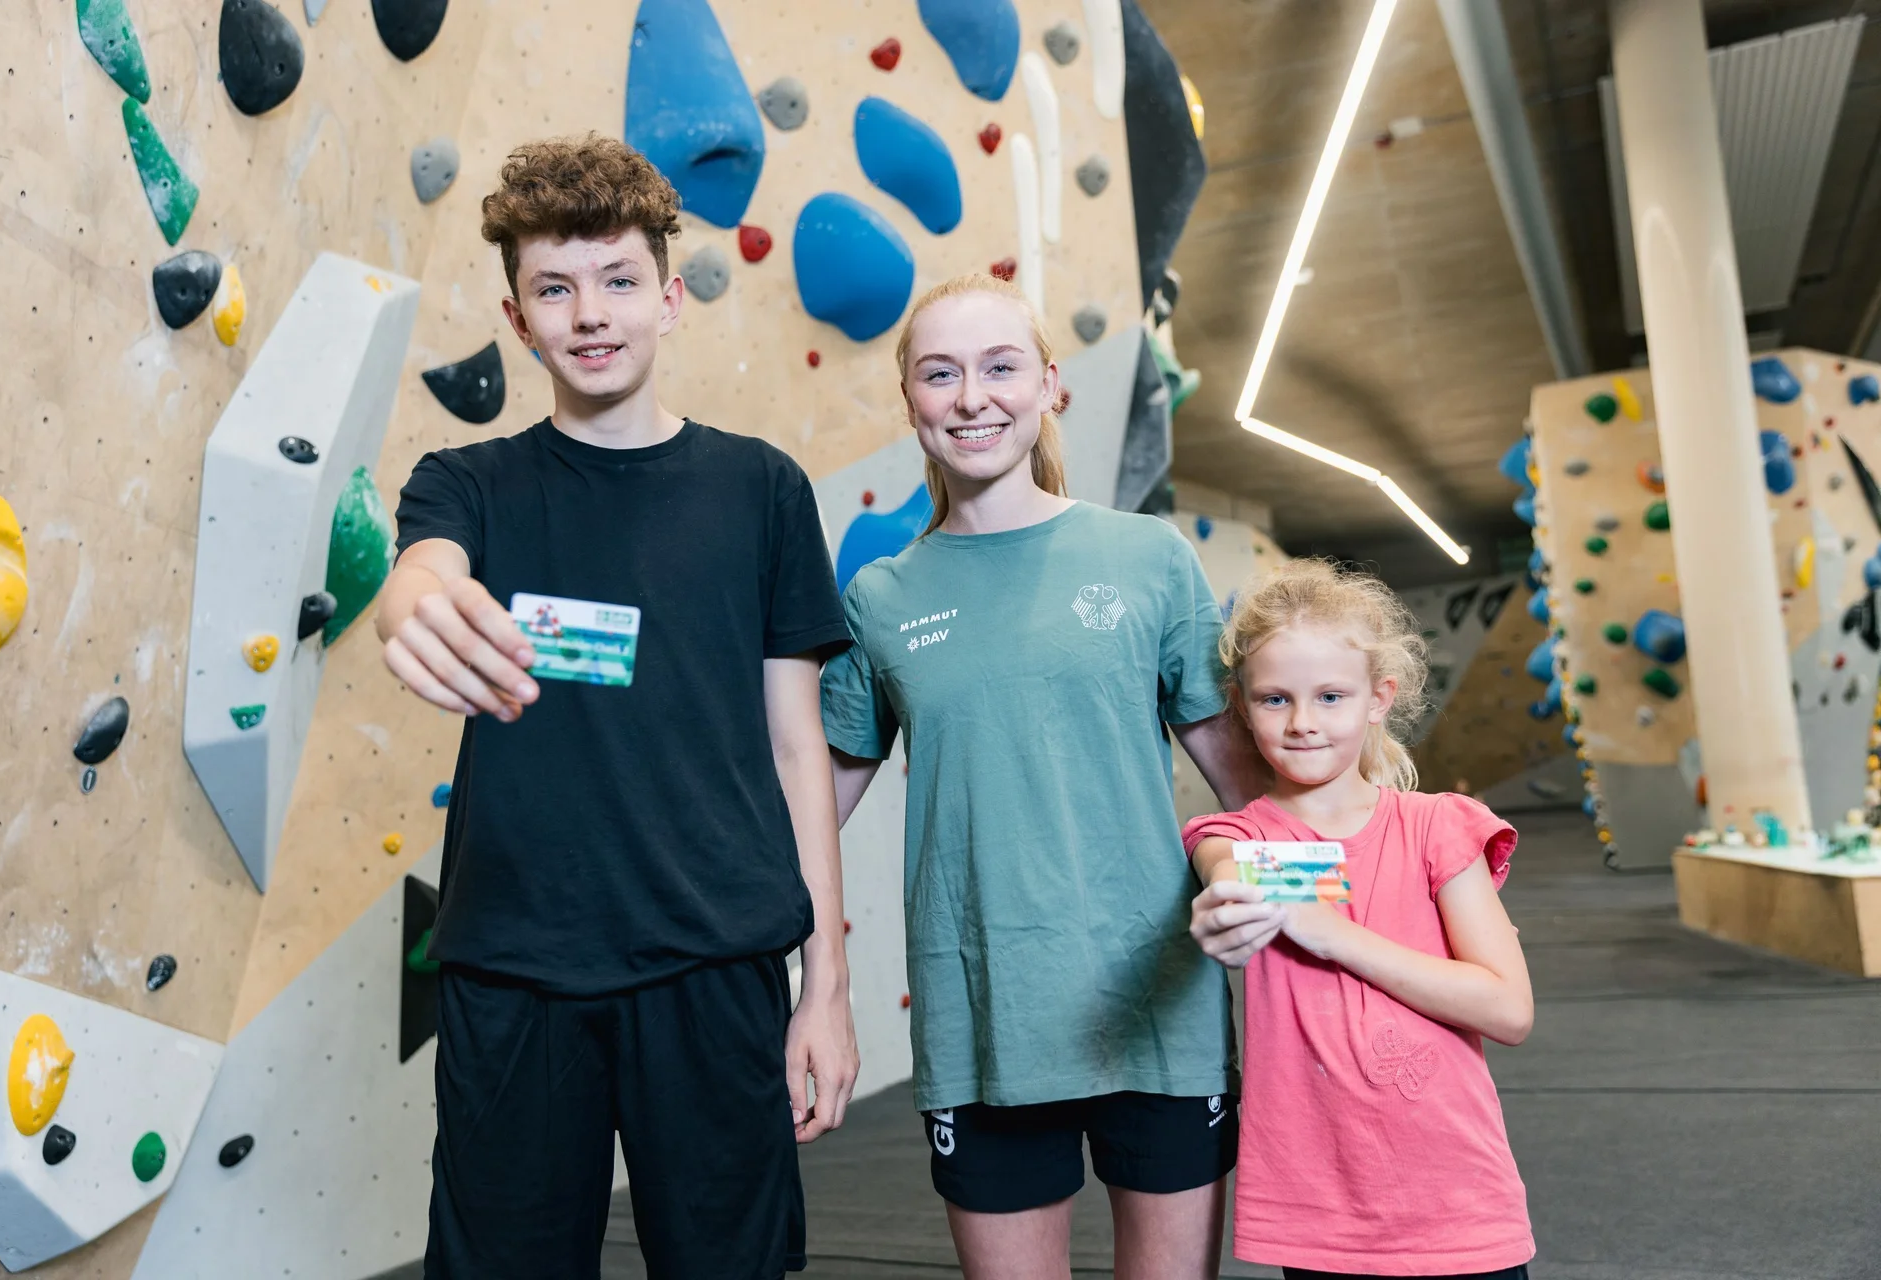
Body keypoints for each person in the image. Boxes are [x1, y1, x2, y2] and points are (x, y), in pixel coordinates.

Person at [375, 134, 856, 1279]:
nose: (590, 313)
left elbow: (798, 749)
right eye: (555, 288)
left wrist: (826, 988)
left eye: (618, 280)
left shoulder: (762, 488)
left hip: (717, 958)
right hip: (513, 964)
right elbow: (422, 576)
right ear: (519, 317)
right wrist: (416, 605)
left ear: (669, 299)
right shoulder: (467, 483)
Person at [821, 272, 1279, 1280]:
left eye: (1000, 367)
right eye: (940, 374)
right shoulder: (880, 598)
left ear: (1049, 385)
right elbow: (806, 817)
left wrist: (1376, 889)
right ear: (911, 399)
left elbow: (1251, 789)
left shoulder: (1149, 557)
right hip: (982, 1018)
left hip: (1160, 1009)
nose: (972, 397)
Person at [1183, 559, 1537, 1279]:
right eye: (1275, 699)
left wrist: (1335, 935)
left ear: (1379, 699)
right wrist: (1227, 909)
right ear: (1241, 706)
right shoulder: (1239, 837)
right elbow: (1230, 875)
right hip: (1323, 1212)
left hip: (1461, 1200)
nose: (1303, 722)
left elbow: (1508, 1009)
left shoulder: (1437, 827)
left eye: (1330, 696)